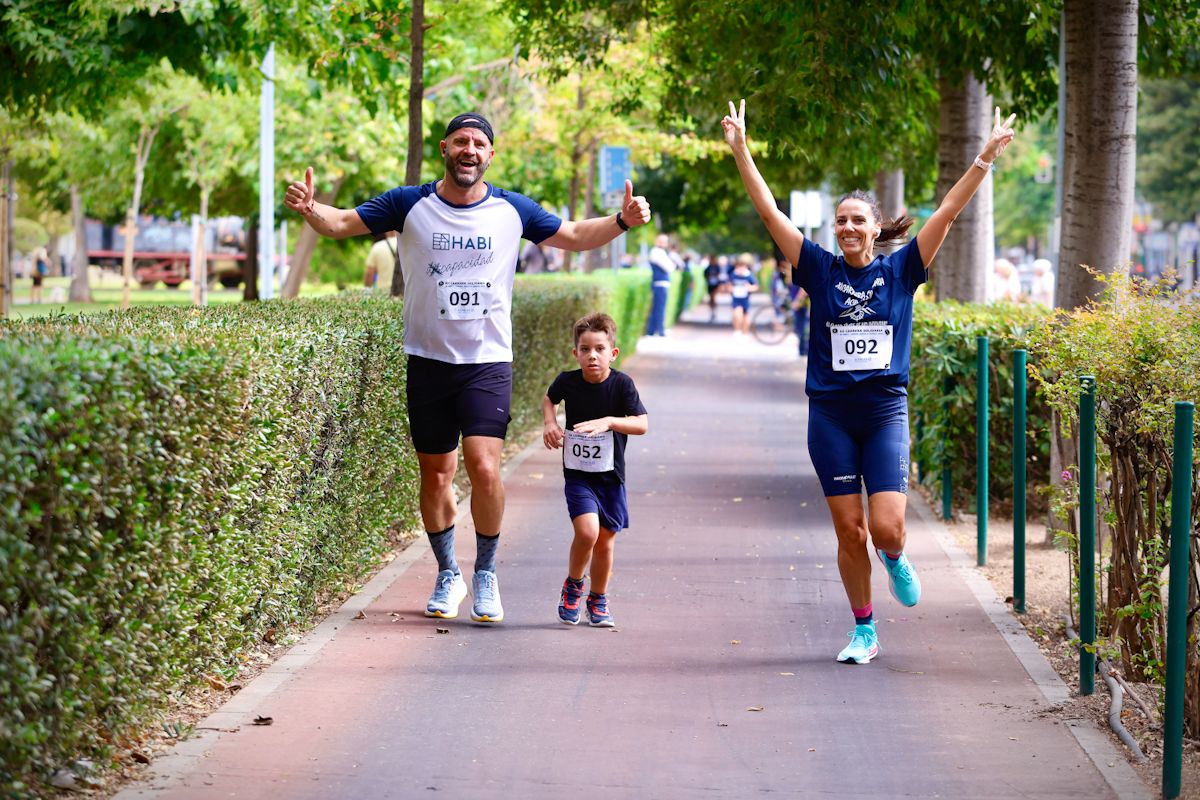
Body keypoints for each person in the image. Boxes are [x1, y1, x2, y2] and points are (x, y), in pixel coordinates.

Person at [284, 112, 652, 624]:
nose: (470, 150)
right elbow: (342, 222)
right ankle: (446, 572)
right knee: (437, 473)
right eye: (461, 141)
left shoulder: (511, 209)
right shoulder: (409, 203)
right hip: (429, 361)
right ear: (444, 148)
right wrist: (310, 208)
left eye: (479, 143)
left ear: (490, 155)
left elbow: (572, 234)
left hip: (487, 363)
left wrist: (621, 222)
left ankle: (485, 573)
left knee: (483, 466)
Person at [722, 98, 1016, 664]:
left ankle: (896, 556)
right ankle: (864, 629)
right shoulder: (818, 268)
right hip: (831, 415)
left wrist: (983, 159)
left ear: (876, 228)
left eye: (859, 219)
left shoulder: (901, 269)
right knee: (850, 532)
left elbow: (947, 211)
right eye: (842, 221)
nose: (849, 227)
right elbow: (769, 212)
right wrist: (741, 151)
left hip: (883, 412)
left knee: (885, 529)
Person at [542, 312, 648, 627]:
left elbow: (642, 424)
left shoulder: (622, 384)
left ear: (612, 353)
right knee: (587, 532)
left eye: (600, 349)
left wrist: (610, 422)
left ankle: (598, 598)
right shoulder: (567, 381)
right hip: (578, 475)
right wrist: (550, 423)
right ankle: (574, 585)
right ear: (575, 353)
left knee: (604, 541)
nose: (592, 356)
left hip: (611, 477)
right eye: (585, 349)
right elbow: (550, 399)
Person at [645, 233, 675, 336]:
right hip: (660, 283)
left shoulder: (659, 252)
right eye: (662, 241)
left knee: (657, 307)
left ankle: (652, 330)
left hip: (661, 283)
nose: (663, 243)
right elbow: (669, 267)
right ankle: (659, 330)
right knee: (659, 308)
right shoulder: (657, 252)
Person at [728, 252, 758, 335]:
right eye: (738, 266)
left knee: (745, 317)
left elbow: (755, 286)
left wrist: (749, 288)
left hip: (745, 299)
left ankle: (745, 333)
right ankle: (737, 331)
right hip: (736, 298)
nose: (740, 268)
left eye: (742, 266)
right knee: (737, 315)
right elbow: (729, 285)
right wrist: (731, 289)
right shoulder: (733, 275)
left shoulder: (749, 275)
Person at [703, 253, 722, 322]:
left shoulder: (717, 267)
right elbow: (705, 275)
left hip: (715, 285)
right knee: (711, 299)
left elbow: (719, 275)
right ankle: (712, 311)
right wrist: (709, 277)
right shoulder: (708, 267)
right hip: (710, 285)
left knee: (714, 298)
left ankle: (714, 312)